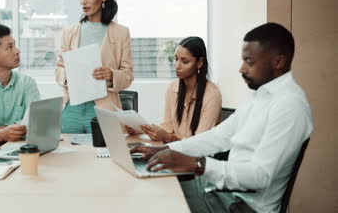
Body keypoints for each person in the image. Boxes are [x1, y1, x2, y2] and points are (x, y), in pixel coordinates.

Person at [131, 23, 313, 213]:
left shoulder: (291, 106)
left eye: (249, 62)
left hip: (241, 206)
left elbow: (260, 176)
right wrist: (164, 149)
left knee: (158, 201)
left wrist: (198, 164)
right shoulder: (259, 95)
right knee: (154, 187)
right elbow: (219, 136)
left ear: (278, 62)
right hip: (220, 191)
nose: (241, 69)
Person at [55, 0, 133, 133]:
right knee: (67, 154)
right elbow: (58, 75)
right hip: (72, 109)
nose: (83, 1)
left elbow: (127, 76)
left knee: (102, 156)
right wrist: (66, 69)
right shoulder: (69, 32)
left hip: (103, 108)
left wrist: (111, 74)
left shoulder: (120, 33)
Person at [125, 37, 221, 142]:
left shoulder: (212, 95)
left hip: (198, 156)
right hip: (175, 152)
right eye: (176, 59)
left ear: (199, 63)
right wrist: (140, 129)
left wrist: (169, 138)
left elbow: (199, 144)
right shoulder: (172, 88)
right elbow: (167, 127)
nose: (177, 66)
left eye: (185, 61)